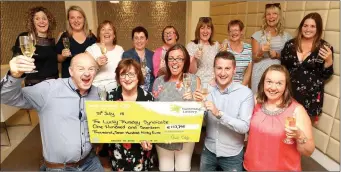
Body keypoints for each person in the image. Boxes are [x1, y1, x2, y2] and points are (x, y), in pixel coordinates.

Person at [0, 53, 104, 171]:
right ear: (71, 71)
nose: (87, 73)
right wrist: (14, 75)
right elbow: (5, 97)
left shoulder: (98, 93)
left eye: (91, 69)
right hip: (60, 168)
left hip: (90, 162)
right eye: (81, 69)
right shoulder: (49, 90)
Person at [244, 64, 315, 171]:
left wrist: (299, 136)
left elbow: (308, 151)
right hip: (251, 167)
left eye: (279, 83)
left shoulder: (297, 110)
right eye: (269, 82)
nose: (273, 87)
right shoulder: (255, 100)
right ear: (263, 83)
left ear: (286, 86)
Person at [196, 51, 254, 171]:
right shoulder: (207, 89)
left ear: (234, 70)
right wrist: (195, 105)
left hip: (232, 155)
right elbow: (201, 119)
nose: (222, 73)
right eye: (219, 68)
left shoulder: (245, 93)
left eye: (227, 68)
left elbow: (244, 127)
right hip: (209, 151)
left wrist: (219, 113)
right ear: (214, 70)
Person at [98, 59, 154, 171]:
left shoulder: (148, 98)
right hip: (118, 153)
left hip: (141, 154)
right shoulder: (111, 96)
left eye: (132, 74)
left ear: (138, 76)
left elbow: (153, 127)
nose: (127, 79)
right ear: (118, 78)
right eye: (123, 74)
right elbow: (105, 125)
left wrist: (150, 139)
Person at [152, 44, 201, 171]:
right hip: (163, 136)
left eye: (179, 58)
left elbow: (201, 111)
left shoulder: (194, 80)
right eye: (171, 58)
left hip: (185, 136)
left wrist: (195, 100)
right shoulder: (159, 82)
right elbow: (152, 110)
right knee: (165, 168)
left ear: (185, 61)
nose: (175, 62)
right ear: (167, 61)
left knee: (183, 168)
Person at [281, 12, 334, 125]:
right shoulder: (290, 45)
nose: (308, 29)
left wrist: (329, 61)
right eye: (305, 25)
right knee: (283, 126)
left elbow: (325, 75)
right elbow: (282, 69)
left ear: (318, 29)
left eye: (312, 26)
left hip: (311, 96)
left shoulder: (324, 48)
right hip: (288, 93)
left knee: (303, 130)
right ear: (301, 27)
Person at [11, 6, 58, 86]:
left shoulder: (52, 40)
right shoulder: (25, 37)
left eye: (44, 18)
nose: (41, 21)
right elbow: (16, 59)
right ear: (32, 22)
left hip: (53, 84)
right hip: (34, 84)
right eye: (37, 19)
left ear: (49, 21)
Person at [251, 3, 292, 93]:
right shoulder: (257, 35)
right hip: (260, 72)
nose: (271, 16)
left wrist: (277, 55)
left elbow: (290, 59)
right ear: (265, 17)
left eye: (274, 13)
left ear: (279, 16)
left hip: (278, 74)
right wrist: (261, 51)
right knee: (258, 99)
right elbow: (254, 58)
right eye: (268, 14)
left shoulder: (287, 37)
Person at [56, 5, 97, 78]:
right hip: (69, 79)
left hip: (88, 78)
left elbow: (98, 55)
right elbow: (56, 58)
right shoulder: (64, 36)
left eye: (79, 17)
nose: (76, 21)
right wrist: (62, 56)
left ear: (84, 19)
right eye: (72, 18)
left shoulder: (91, 36)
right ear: (68, 20)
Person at [86, 20, 123, 91]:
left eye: (110, 29)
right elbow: (84, 72)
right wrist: (96, 64)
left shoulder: (120, 49)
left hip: (116, 88)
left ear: (114, 35)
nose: (106, 32)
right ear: (99, 35)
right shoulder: (91, 50)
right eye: (103, 29)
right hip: (96, 87)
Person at [187, 17, 219, 86]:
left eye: (208, 28)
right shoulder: (191, 45)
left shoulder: (216, 45)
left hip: (214, 81)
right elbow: (192, 71)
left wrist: (216, 79)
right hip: (198, 81)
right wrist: (194, 58)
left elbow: (219, 66)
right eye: (202, 28)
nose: (205, 31)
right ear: (198, 30)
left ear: (211, 31)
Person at [220, 20, 252, 86]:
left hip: (242, 85)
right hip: (225, 85)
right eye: (231, 31)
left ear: (241, 31)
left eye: (236, 30)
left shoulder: (248, 48)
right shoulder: (224, 47)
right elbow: (220, 70)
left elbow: (248, 72)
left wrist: (241, 88)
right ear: (228, 33)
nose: (233, 33)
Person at [122, 26, 154, 92]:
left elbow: (155, 76)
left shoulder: (152, 55)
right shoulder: (126, 55)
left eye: (142, 38)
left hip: (150, 92)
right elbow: (125, 76)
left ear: (146, 40)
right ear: (133, 41)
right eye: (136, 38)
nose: (139, 41)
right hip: (133, 91)